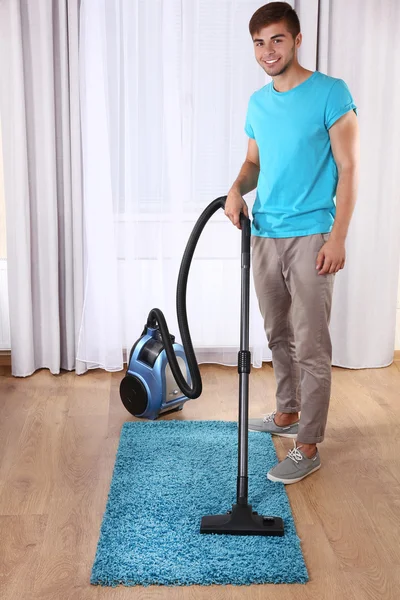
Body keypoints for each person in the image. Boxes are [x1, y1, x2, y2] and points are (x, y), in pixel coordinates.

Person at [225, 2, 359, 484]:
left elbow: (348, 168)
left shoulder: (330, 92)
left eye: (276, 40)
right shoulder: (258, 103)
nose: (267, 51)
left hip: (311, 236)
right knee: (278, 333)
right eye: (259, 43)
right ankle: (286, 413)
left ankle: (308, 445)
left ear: (297, 40)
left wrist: (338, 237)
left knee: (311, 344)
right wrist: (237, 189)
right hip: (264, 234)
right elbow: (253, 163)